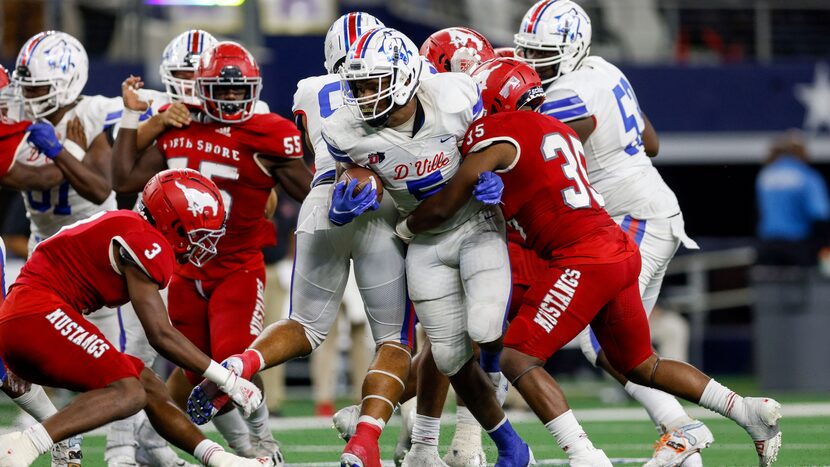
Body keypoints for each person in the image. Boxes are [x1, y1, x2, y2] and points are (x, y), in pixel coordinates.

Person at [398, 56, 784, 467]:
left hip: (582, 257)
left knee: (517, 357)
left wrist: (404, 226)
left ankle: (584, 455)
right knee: (639, 364)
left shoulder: (498, 131)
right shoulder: (560, 130)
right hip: (617, 248)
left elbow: (444, 205)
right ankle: (746, 411)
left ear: (493, 102)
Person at [185, 13, 413, 467]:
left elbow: (312, 154)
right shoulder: (400, 85)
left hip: (323, 199)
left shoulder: (310, 89)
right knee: (393, 342)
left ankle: (242, 365)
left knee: (305, 327)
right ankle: (364, 445)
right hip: (378, 204)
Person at [324, 27, 529, 467]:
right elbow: (354, 178)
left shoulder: (454, 96)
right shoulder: (346, 130)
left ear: (403, 79)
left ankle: (491, 380)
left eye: (370, 83)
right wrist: (344, 204)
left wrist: (499, 177)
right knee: (450, 355)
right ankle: (512, 446)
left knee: (487, 326)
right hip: (422, 237)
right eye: (355, 84)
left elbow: (493, 146)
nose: (360, 94)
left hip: (476, 222)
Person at [513, 2, 706, 463]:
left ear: (573, 49)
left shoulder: (572, 89)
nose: (533, 63)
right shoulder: (604, 71)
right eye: (529, 52)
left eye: (543, 53)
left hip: (634, 217)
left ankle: (683, 427)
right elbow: (652, 142)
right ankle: (686, 444)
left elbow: (547, 146)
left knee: (605, 341)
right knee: (619, 343)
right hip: (643, 214)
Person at [111, 40, 312, 461]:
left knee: (230, 365)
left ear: (254, 89)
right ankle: (203, 444)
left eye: (241, 91)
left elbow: (311, 192)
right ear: (203, 88)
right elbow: (124, 177)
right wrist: (140, 117)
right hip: (183, 270)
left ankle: (259, 441)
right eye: (223, 90)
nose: (234, 97)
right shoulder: (179, 122)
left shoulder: (269, 131)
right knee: (195, 370)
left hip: (237, 266)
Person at [0, 169, 274, 467]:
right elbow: (160, 334)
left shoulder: (130, 225)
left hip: (29, 316)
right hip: (37, 313)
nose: (204, 244)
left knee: (146, 384)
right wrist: (228, 380)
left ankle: (221, 460)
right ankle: (23, 445)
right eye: (200, 233)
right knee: (128, 391)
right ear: (175, 223)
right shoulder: (145, 240)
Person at [756, 130, 829, 266]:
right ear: (801, 152)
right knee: (801, 286)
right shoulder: (807, 176)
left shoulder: (766, 175)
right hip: (797, 245)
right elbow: (820, 214)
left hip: (767, 245)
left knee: (768, 286)